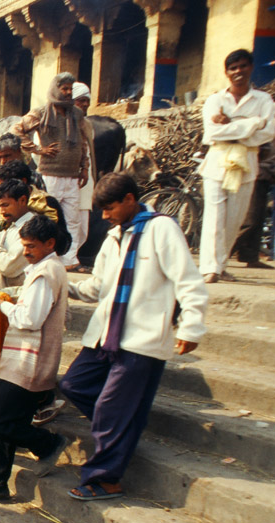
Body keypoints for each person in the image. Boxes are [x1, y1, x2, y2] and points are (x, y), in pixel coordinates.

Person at [60, 173, 207, 501]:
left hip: (141, 336)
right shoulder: (113, 237)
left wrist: (191, 327)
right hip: (107, 334)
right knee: (74, 385)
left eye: (110, 208)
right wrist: (61, 284)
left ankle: (105, 479)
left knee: (113, 409)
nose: (104, 216)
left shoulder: (161, 229)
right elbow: (96, 287)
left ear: (130, 199)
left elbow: (188, 281)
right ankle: (122, 428)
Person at [0, 215, 71, 502]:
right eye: (23, 245)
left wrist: (1, 305)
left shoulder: (48, 272)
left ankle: (48, 444)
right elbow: (26, 298)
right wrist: (3, 298)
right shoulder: (41, 268)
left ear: (50, 243)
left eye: (31, 246)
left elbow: (30, 319)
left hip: (29, 365)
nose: (26, 252)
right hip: (15, 360)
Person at [199, 49, 275, 283]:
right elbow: (212, 133)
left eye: (243, 66)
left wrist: (232, 128)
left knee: (234, 219)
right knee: (214, 217)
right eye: (233, 68)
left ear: (250, 68)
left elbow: (267, 134)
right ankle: (209, 269)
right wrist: (251, 124)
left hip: (246, 163)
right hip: (217, 162)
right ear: (227, 73)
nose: (238, 71)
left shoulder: (263, 101)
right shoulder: (215, 100)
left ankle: (220, 266)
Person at [10, 72, 91, 268]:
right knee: (48, 217)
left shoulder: (77, 114)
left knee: (73, 220)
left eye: (70, 89)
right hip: (50, 176)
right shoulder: (41, 113)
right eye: (64, 89)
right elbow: (16, 129)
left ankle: (70, 260)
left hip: (72, 177)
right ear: (56, 89)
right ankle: (46, 258)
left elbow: (83, 143)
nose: (68, 93)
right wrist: (38, 149)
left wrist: (84, 168)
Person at [234, 140, 275, 268]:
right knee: (251, 220)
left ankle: (250, 256)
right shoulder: (265, 130)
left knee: (259, 219)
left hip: (265, 177)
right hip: (255, 175)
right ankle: (223, 254)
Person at [69, 82, 96, 271]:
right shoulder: (60, 121)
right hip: (65, 177)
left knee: (82, 223)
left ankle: (74, 256)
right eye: (81, 101)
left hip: (85, 180)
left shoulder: (87, 125)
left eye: (87, 101)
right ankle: (67, 259)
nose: (85, 104)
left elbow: (89, 154)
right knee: (67, 219)